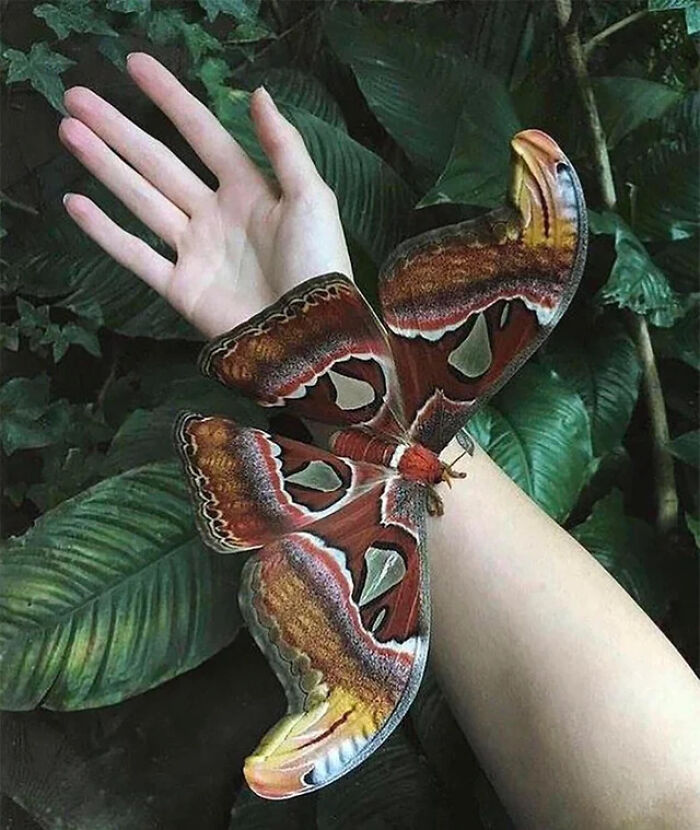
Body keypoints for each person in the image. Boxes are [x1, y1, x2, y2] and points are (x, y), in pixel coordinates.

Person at [59, 53, 700, 829]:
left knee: (386, 643)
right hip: (363, 430)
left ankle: (274, 459)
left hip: (359, 423)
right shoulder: (431, 457)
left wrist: (321, 350)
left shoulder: (432, 449)